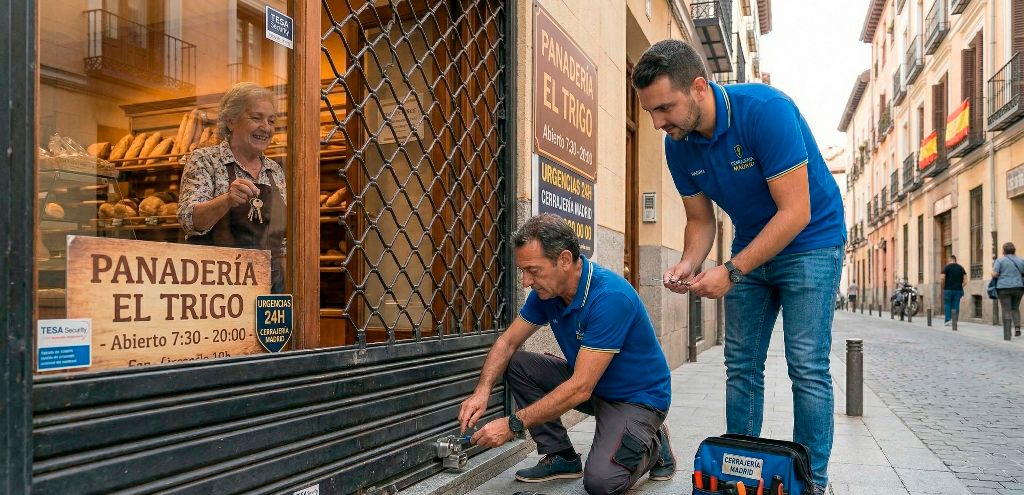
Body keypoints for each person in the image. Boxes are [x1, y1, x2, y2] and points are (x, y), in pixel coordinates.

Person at [632, 40, 846, 494]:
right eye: (651, 112)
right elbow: (699, 219)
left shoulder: (766, 111)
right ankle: (740, 472)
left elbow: (795, 213)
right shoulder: (679, 145)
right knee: (741, 365)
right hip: (751, 245)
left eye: (665, 107)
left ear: (698, 87)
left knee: (806, 365)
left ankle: (813, 483)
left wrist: (731, 271)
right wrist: (688, 264)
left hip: (812, 242)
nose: (658, 123)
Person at [458, 214, 674, 495]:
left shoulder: (610, 297)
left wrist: (512, 424)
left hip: (636, 400)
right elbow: (507, 343)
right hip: (594, 387)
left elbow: (580, 388)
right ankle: (561, 457)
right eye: (523, 271)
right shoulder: (548, 294)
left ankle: (652, 442)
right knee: (517, 363)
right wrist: (481, 391)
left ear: (564, 260)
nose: (525, 281)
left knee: (601, 483)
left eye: (533, 270)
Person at [178, 82, 287, 293]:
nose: (266, 128)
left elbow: (281, 243)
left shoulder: (275, 170)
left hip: (271, 286)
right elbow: (188, 221)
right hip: (218, 286)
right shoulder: (205, 160)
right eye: (256, 118)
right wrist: (227, 200)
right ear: (230, 121)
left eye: (271, 121)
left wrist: (291, 292)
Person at [992, 242, 1024, 337]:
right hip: (1018, 287)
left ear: (1003, 251)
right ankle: (1017, 327)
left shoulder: (1000, 260)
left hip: (1004, 287)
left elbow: (995, 274)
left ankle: (1007, 332)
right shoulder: (1021, 260)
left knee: (1006, 309)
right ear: (1014, 250)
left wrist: (994, 274)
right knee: (1015, 308)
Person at [940, 255, 967, 326]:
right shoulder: (961, 268)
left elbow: (942, 278)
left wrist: (943, 286)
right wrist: (960, 286)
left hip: (948, 289)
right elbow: (965, 281)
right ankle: (954, 320)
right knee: (956, 305)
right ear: (955, 260)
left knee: (947, 304)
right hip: (958, 290)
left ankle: (948, 320)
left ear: (950, 260)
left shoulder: (946, 267)